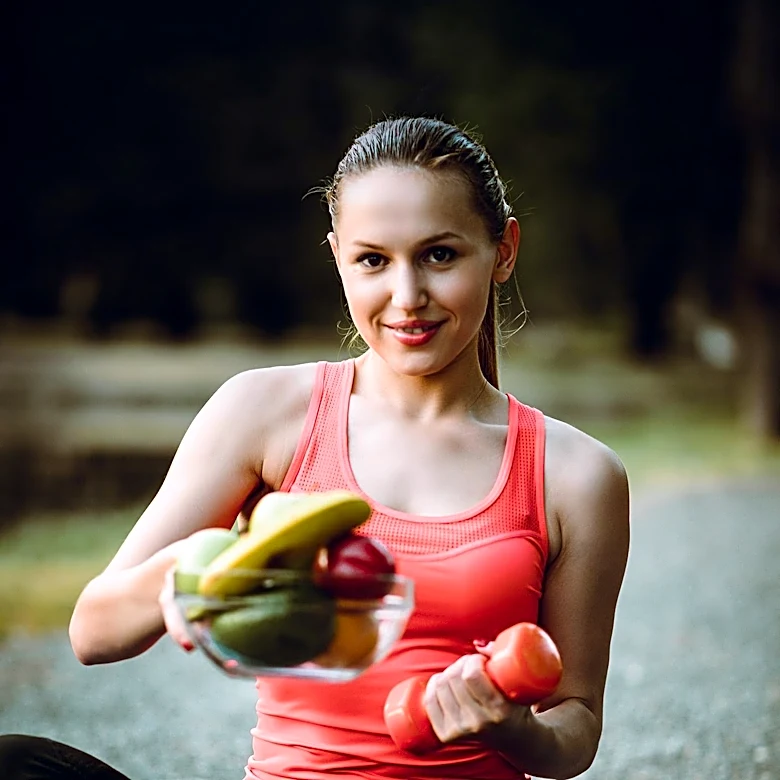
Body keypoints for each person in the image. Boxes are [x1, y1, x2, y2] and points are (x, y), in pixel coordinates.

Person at [0, 116, 630, 780]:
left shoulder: (576, 475)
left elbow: (576, 722)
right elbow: (92, 634)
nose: (407, 297)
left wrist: (514, 728)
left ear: (503, 252)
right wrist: (203, 567)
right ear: (338, 259)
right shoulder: (265, 412)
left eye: (439, 255)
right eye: (373, 260)